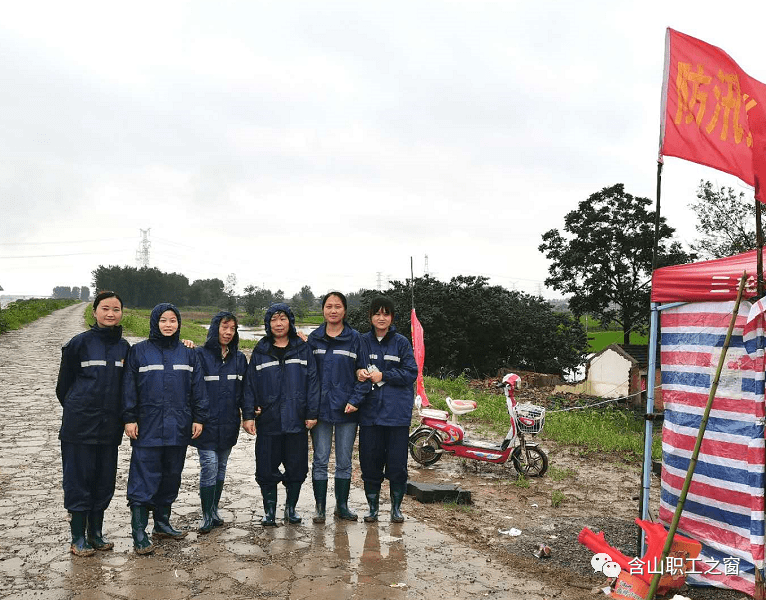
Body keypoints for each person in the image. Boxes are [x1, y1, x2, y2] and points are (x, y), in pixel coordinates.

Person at [122, 302, 207, 554]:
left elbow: (198, 389)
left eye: (173, 320)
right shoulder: (139, 352)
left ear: (179, 323)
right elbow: (128, 388)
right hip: (147, 428)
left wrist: (198, 418)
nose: (168, 325)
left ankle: (161, 524)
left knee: (171, 478)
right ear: (154, 322)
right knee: (143, 480)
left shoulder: (189, 353)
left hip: (178, 427)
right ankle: (139, 532)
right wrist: (129, 418)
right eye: (163, 320)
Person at [56, 291, 131, 556]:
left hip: (110, 428)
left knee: (103, 481)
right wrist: (81, 408)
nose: (111, 313)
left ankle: (96, 533)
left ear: (122, 313)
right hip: (79, 428)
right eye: (105, 308)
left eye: (116, 309)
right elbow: (63, 388)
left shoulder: (125, 348)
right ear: (94, 311)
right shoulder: (79, 344)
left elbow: (127, 388)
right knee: (78, 481)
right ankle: (77, 537)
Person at [244, 303, 319, 526]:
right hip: (269, 421)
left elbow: (313, 382)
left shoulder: (302, 348)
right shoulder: (261, 350)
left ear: (290, 322)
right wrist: (249, 414)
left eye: (283, 319)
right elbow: (250, 385)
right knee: (266, 469)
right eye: (274, 319)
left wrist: (311, 412)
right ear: (268, 323)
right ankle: (269, 512)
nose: (278, 323)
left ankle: (290, 509)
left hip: (296, 420)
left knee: (296, 468)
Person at [307, 291, 369, 523]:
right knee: (320, 459)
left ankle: (341, 506)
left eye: (338, 306)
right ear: (323, 310)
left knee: (344, 461)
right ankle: (320, 507)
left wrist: (355, 400)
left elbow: (365, 373)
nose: (333, 310)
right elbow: (307, 376)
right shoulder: (313, 339)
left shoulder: (356, 339)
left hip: (347, 410)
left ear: (345, 310)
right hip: (321, 411)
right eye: (329, 306)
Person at [356, 296, 417, 523]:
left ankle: (396, 508)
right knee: (370, 463)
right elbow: (354, 366)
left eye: (386, 314)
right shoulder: (362, 341)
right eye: (377, 313)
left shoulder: (401, 342)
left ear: (392, 317)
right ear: (370, 316)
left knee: (397, 464)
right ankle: (372, 508)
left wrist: (385, 375)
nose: (381, 318)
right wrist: (359, 373)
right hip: (370, 415)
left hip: (396, 415)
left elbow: (411, 373)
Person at [192, 311, 254, 533]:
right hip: (206, 423)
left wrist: (248, 416)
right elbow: (194, 390)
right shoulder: (199, 355)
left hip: (228, 422)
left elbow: (246, 391)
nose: (228, 332)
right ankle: (206, 515)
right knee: (209, 465)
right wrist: (196, 418)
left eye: (232, 329)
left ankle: (214, 509)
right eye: (224, 327)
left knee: (221, 467)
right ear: (215, 327)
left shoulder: (239, 358)